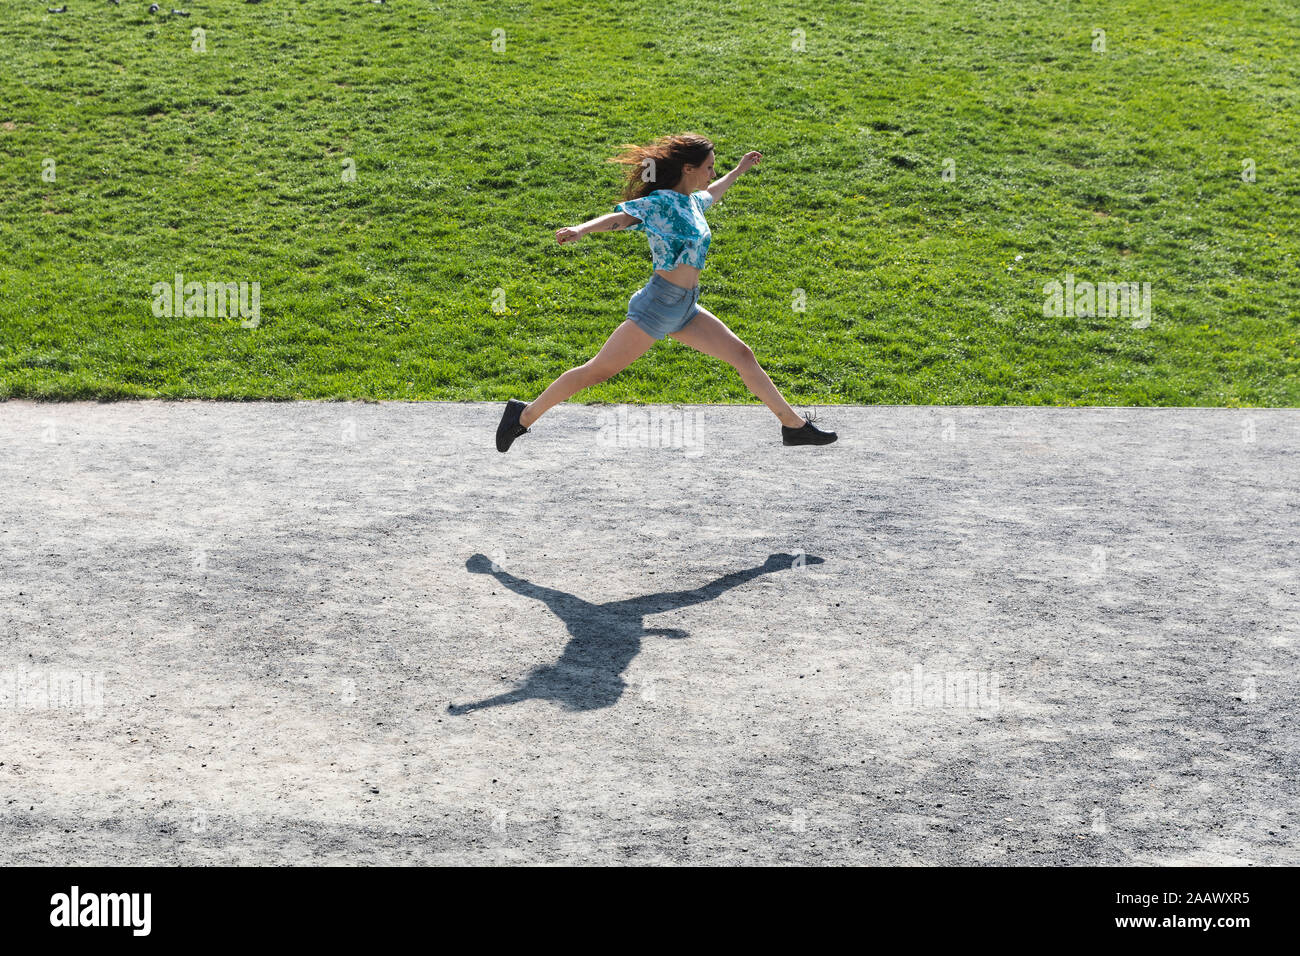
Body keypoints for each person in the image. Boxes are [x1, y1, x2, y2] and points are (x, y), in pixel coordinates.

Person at [496, 132, 837, 452]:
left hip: (686, 307)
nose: (711, 172)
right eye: (708, 167)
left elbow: (713, 193)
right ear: (688, 169)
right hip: (658, 307)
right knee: (598, 371)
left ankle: (793, 427)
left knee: (742, 355)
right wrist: (582, 230)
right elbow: (623, 218)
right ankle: (522, 416)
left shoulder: (692, 203)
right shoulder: (660, 203)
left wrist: (738, 170)